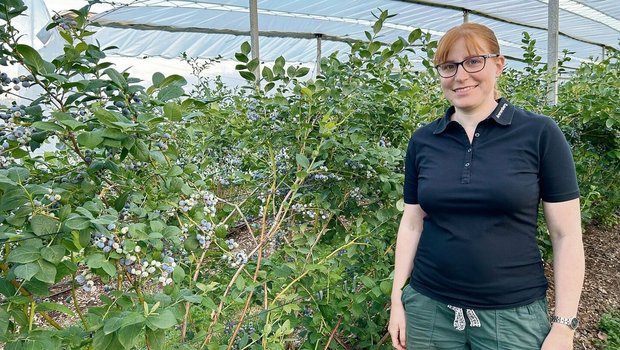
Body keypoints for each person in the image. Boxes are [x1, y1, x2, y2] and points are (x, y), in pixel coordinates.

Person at [388, 23, 584, 350]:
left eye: (473, 61)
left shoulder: (539, 134)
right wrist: (397, 299)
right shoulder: (424, 141)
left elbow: (566, 235)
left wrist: (564, 326)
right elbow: (411, 223)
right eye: (448, 66)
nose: (460, 75)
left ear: (498, 64)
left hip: (511, 317)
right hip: (429, 310)